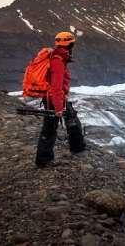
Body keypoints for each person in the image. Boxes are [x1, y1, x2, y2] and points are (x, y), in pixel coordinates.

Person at [35, 31, 86, 167]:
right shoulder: (57, 61)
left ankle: (77, 148)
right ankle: (43, 160)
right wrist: (58, 108)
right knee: (50, 128)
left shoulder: (58, 57)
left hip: (55, 97)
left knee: (71, 120)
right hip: (54, 98)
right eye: (72, 43)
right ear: (69, 43)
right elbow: (56, 87)